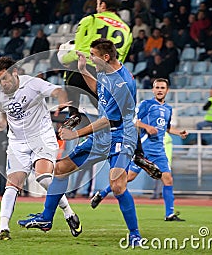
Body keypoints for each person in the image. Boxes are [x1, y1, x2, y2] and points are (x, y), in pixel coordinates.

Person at [18, 38, 143, 246]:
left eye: (93, 55)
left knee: (118, 185)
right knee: (61, 169)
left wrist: (75, 135)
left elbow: (108, 120)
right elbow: (99, 91)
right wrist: (84, 70)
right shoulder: (105, 71)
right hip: (102, 137)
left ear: (105, 57)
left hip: (121, 136)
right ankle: (46, 218)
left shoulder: (123, 83)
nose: (91, 58)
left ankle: (135, 234)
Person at [0, 56, 80, 241]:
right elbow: (5, 111)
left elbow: (58, 91)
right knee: (12, 185)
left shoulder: (33, 83)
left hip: (42, 137)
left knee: (44, 178)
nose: (2, 84)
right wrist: (2, 123)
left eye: (4, 78)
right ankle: (3, 228)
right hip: (17, 142)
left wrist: (62, 102)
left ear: (15, 72)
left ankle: (68, 212)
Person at [90, 78, 189, 221]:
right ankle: (102, 193)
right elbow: (133, 120)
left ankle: (170, 214)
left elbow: (165, 127)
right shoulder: (146, 105)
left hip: (159, 151)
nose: (160, 90)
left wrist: (179, 132)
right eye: (157, 87)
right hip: (144, 149)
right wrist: (147, 127)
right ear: (153, 90)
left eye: (162, 87)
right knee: (128, 178)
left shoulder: (168, 109)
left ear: (167, 90)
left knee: (168, 179)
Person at [58, 0, 133, 125]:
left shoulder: (90, 20)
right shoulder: (127, 30)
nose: (97, 7)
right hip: (106, 79)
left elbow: (78, 51)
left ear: (103, 5)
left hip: (82, 73)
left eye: (98, 4)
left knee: (72, 70)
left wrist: (63, 58)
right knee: (109, 114)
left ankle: (73, 113)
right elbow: (120, 61)